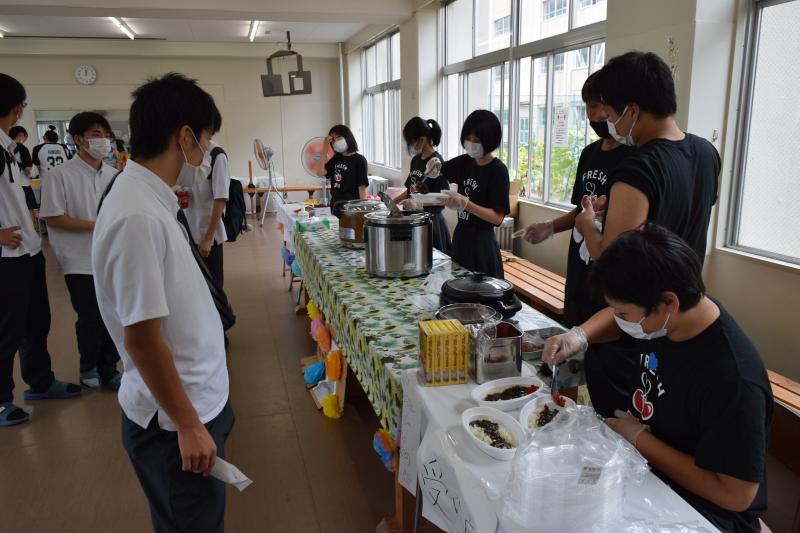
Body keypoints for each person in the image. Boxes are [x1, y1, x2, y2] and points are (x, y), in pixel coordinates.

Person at [542, 224, 773, 533]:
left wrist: (640, 439)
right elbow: (618, 319)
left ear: (668, 303)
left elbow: (735, 495)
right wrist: (579, 336)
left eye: (623, 313)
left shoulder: (733, 380)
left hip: (701, 512)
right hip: (644, 470)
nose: (619, 319)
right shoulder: (673, 317)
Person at [92, 73, 233, 531]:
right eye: (205, 140)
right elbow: (142, 340)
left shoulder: (152, 199)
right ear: (184, 137)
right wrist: (188, 424)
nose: (206, 153)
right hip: (175, 426)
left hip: (197, 402)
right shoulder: (136, 215)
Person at [574, 51, 720, 264]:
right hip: (688, 282)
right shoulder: (707, 152)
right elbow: (675, 210)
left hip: (644, 285)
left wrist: (587, 224)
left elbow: (611, 259)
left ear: (632, 111)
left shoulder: (636, 170)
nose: (610, 123)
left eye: (611, 115)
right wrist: (617, 207)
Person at [522, 72, 635, 327]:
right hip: (579, 266)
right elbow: (580, 210)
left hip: (609, 268)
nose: (599, 115)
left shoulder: (634, 157)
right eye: (592, 106)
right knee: (574, 322)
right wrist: (550, 227)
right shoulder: (589, 153)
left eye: (604, 106)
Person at [0, 73, 81, 427]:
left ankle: (40, 381)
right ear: (17, 108)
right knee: (6, 330)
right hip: (6, 257)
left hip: (28, 251)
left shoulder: (10, 148)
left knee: (36, 321)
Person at [39, 112, 121, 391]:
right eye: (96, 135)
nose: (104, 141)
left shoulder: (114, 176)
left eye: (106, 135)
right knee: (90, 316)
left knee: (114, 314)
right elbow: (53, 217)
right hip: (78, 258)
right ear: (78, 139)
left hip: (111, 257)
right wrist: (96, 226)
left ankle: (109, 368)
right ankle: (88, 367)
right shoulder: (60, 175)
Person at [439, 109, 510, 278]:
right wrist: (434, 166)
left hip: (482, 245)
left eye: (476, 140)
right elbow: (441, 169)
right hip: (461, 239)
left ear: (489, 141)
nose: (471, 143)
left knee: (480, 292)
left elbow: (497, 218)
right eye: (468, 138)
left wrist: (466, 204)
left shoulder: (497, 170)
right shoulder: (466, 162)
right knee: (457, 287)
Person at [183, 120, 229, 289]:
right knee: (196, 286)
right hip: (189, 230)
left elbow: (220, 199)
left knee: (213, 287)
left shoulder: (217, 156)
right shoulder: (188, 152)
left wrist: (208, 238)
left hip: (208, 235)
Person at [396, 117, 451, 254]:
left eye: (410, 142)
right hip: (415, 221)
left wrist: (418, 204)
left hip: (431, 224)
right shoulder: (416, 160)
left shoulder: (436, 162)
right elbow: (410, 191)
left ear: (422, 140)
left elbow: (443, 198)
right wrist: (390, 202)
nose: (409, 146)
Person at [315, 124, 368, 217]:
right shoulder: (336, 159)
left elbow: (362, 188)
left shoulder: (360, 160)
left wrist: (363, 212)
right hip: (335, 206)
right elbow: (320, 172)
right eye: (333, 140)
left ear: (347, 137)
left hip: (352, 208)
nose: (336, 141)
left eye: (339, 137)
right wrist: (324, 149)